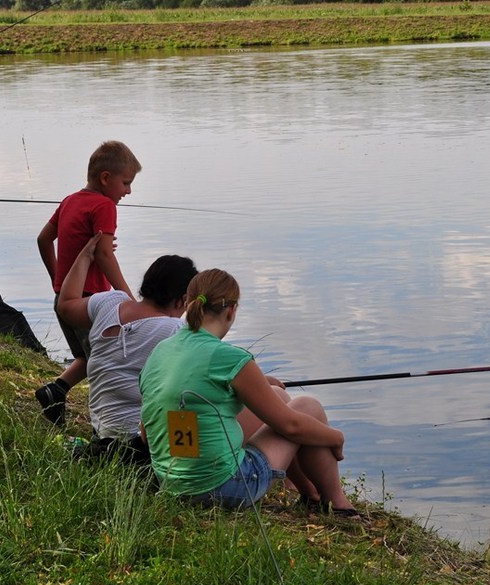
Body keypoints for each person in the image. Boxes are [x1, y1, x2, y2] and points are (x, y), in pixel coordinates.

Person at [139, 269, 359, 517]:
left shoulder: (160, 351)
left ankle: (310, 494)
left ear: (188, 304)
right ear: (231, 311)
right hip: (227, 489)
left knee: (277, 396)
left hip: (172, 487)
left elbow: (147, 434)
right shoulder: (229, 357)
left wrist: (261, 384)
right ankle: (338, 504)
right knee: (308, 407)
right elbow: (292, 427)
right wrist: (336, 438)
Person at [57, 233, 197, 465]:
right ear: (182, 299)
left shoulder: (109, 304)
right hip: (144, 447)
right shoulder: (175, 330)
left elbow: (66, 305)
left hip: (103, 437)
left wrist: (84, 257)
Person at [35, 140, 141, 426]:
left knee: (87, 356)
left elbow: (43, 239)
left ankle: (55, 391)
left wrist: (58, 281)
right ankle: (104, 427)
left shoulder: (70, 200)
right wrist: (128, 299)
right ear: (106, 178)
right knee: (105, 362)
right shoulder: (104, 205)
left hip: (65, 299)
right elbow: (104, 255)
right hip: (90, 303)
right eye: (126, 183)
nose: (128, 191)